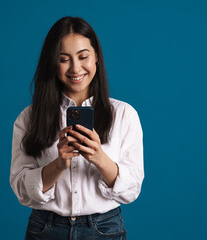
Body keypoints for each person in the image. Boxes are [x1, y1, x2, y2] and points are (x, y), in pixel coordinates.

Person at [10, 16, 144, 240]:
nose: (75, 68)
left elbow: (132, 189)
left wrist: (99, 158)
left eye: (83, 57)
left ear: (97, 58)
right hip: (46, 229)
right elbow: (20, 189)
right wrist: (58, 164)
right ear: (53, 63)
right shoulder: (29, 117)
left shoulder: (123, 114)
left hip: (104, 229)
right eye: (64, 59)